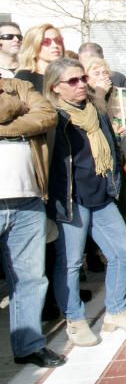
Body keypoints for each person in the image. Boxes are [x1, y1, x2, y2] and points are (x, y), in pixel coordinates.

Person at [45, 58, 126, 346]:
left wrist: (113, 182)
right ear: (55, 87)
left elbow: (112, 150)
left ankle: (116, 311)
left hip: (101, 195)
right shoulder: (53, 118)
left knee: (123, 253)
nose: (81, 85)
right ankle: (75, 319)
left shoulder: (95, 110)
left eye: (83, 78)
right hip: (71, 200)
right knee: (71, 263)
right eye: (72, 81)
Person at [0, 75, 66, 367]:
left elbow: (47, 115)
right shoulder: (17, 95)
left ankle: (28, 346)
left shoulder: (18, 85)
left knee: (31, 279)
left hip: (28, 198)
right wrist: (17, 110)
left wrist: (7, 126)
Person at [85, 58, 126, 134]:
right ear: (87, 78)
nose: (102, 77)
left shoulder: (123, 94)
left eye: (105, 73)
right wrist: (100, 94)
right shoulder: (84, 98)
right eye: (96, 74)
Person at [15, 23, 65, 91]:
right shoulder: (24, 77)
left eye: (58, 40)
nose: (55, 45)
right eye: (46, 42)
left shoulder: (70, 73)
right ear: (34, 45)